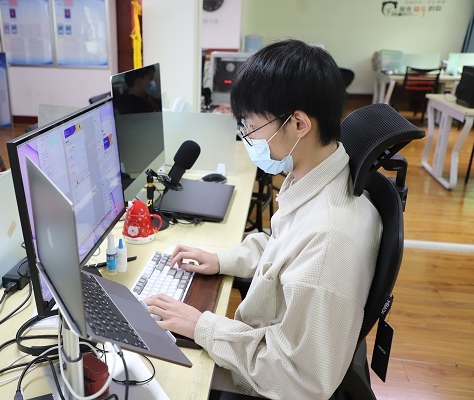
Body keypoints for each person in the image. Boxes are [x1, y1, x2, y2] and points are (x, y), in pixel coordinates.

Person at [144, 39, 383, 399]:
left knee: (149, 371)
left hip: (269, 380)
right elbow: (281, 245)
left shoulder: (329, 240)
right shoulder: (319, 174)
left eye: (252, 127)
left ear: (298, 123)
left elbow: (298, 380)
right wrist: (222, 259)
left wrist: (202, 326)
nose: (248, 138)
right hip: (260, 346)